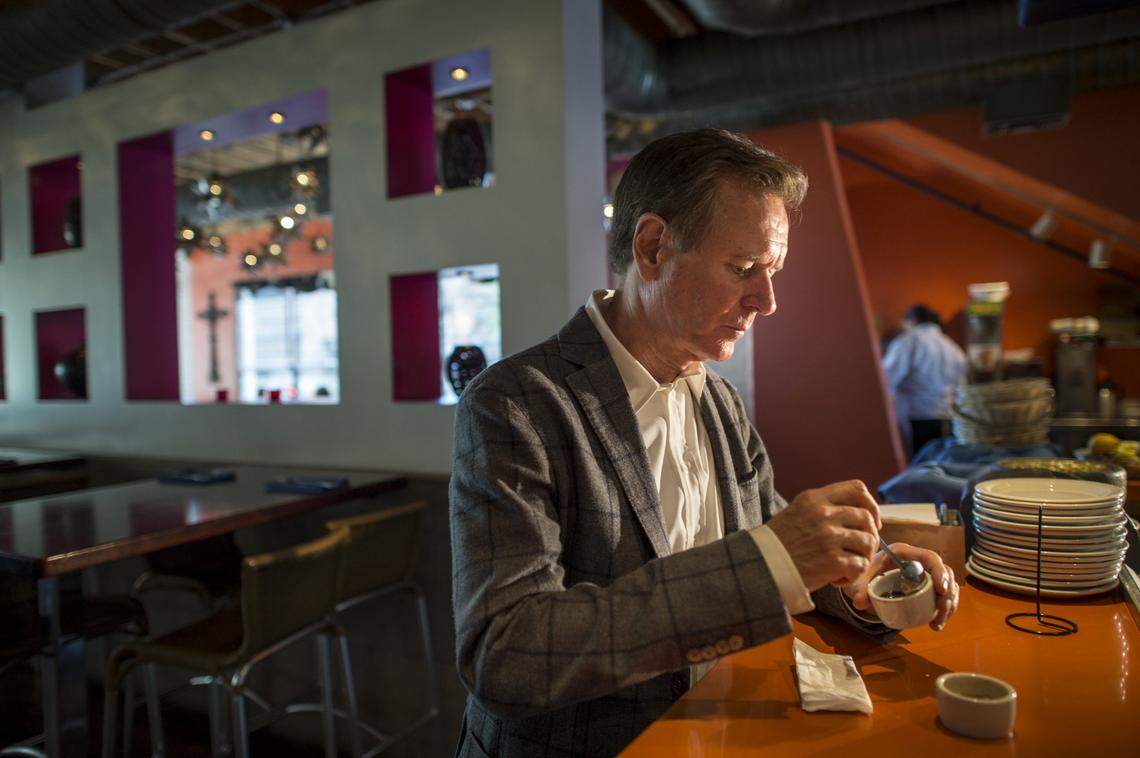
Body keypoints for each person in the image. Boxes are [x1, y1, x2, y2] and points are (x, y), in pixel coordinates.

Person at [450, 129, 959, 758]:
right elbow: (506, 655)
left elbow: (775, 541)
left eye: (772, 272)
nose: (767, 301)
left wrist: (865, 581)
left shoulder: (719, 399)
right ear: (653, 246)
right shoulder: (516, 403)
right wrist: (772, 560)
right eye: (744, 269)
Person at [882, 304, 968, 457]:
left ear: (911, 320)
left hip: (919, 416)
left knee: (921, 464)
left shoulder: (909, 341)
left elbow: (886, 378)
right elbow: (962, 386)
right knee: (943, 462)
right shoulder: (952, 347)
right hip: (950, 417)